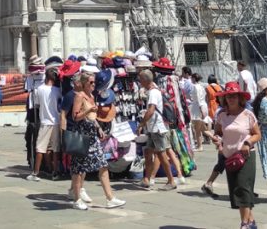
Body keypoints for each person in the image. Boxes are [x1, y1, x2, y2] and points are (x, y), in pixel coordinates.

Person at [65, 68, 125, 210]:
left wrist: (98, 128)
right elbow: (75, 117)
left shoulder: (91, 96)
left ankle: (110, 198)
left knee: (103, 165)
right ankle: (77, 199)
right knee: (79, 169)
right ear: (85, 83)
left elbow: (91, 118)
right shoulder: (79, 96)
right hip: (82, 136)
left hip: (92, 136)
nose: (93, 84)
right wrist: (88, 110)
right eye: (91, 82)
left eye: (94, 82)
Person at [209, 81, 262, 229]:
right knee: (236, 191)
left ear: (240, 98)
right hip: (229, 157)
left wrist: (248, 143)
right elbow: (218, 133)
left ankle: (244, 224)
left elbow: (257, 135)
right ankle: (251, 222)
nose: (231, 99)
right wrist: (217, 141)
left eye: (234, 96)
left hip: (245, 156)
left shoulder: (247, 114)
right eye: (228, 96)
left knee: (243, 188)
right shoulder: (222, 116)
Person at [139, 69, 177, 190]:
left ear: (145, 80)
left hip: (157, 128)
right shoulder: (152, 91)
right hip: (152, 128)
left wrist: (142, 124)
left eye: (140, 79)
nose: (139, 82)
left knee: (161, 155)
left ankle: (171, 180)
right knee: (148, 152)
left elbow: (151, 110)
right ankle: (147, 179)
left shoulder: (153, 92)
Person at [27, 68, 61, 181]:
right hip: (56, 121)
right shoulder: (57, 90)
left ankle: (35, 172)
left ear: (45, 77)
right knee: (55, 149)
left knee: (40, 148)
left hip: (45, 122)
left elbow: (36, 104)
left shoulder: (39, 90)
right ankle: (55, 172)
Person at [189, 73, 210, 151]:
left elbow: (197, 99)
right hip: (202, 106)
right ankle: (215, 138)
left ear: (194, 78)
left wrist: (201, 110)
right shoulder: (201, 86)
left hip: (197, 108)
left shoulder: (195, 86)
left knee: (197, 129)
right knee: (203, 129)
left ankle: (200, 146)